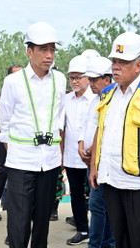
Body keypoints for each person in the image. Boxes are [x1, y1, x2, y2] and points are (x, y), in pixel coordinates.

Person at [89, 32, 140, 248]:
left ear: (138, 65)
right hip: (111, 179)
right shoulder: (107, 94)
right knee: (120, 239)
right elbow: (101, 131)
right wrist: (94, 166)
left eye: (123, 62)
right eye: (114, 61)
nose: (116, 67)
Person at [0, 21, 66, 248]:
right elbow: (5, 122)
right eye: (43, 49)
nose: (49, 55)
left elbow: (60, 118)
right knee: (19, 220)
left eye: (52, 49)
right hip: (21, 162)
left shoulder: (60, 79)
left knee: (43, 221)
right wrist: (14, 149)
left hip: (49, 162)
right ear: (29, 51)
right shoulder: (13, 82)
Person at [79, 56, 115, 248]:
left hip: (103, 163)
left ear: (107, 79)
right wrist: (82, 146)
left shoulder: (113, 101)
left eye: (94, 80)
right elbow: (88, 126)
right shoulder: (96, 100)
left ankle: (97, 244)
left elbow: (105, 131)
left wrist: (92, 150)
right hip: (92, 161)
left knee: (98, 207)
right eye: (89, 79)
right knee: (101, 207)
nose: (90, 84)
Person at [62, 55, 94, 245]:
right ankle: (83, 230)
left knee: (96, 196)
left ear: (88, 78)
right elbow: (63, 127)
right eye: (71, 77)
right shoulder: (66, 99)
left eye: (78, 77)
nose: (74, 81)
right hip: (71, 156)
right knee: (76, 194)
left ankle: (102, 231)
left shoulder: (96, 98)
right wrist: (61, 152)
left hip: (92, 156)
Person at [0, 64, 23, 222]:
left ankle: (22, 209)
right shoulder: (0, 93)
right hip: (2, 137)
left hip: (23, 138)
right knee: (3, 171)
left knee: (23, 173)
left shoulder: (28, 93)